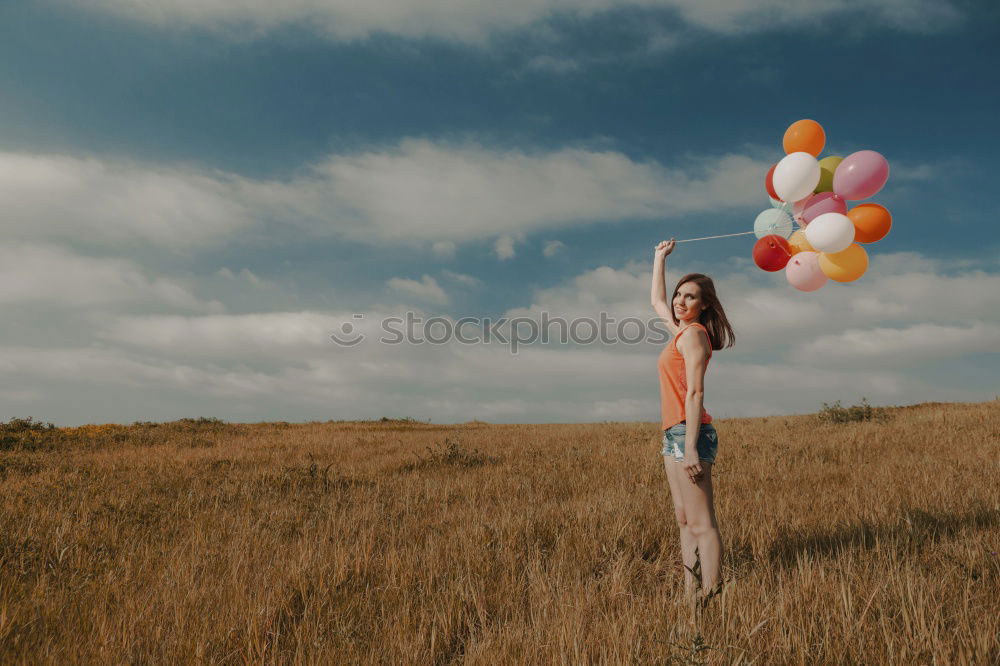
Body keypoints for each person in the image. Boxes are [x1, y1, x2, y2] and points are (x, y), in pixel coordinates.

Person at [650, 238, 735, 609]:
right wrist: (659, 258)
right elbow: (656, 302)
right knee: (684, 519)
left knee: (702, 523)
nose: (679, 301)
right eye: (679, 295)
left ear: (703, 306)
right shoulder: (680, 332)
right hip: (673, 433)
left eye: (690, 297)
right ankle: (690, 595)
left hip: (690, 433)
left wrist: (689, 451)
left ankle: (712, 597)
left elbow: (696, 393)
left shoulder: (696, 336)